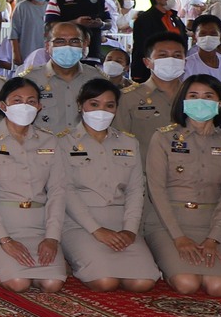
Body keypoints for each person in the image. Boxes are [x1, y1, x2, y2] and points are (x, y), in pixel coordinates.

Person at [144, 75, 221, 298]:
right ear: (183, 101)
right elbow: (156, 191)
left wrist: (214, 238)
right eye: (193, 96)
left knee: (218, 287)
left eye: (208, 96)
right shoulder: (163, 138)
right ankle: (161, 260)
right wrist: (179, 237)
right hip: (167, 224)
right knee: (187, 283)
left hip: (209, 225)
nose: (201, 101)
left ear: (220, 103)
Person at [58, 79, 160, 293]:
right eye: (94, 104)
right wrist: (97, 230)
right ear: (80, 105)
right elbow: (66, 191)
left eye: (109, 105)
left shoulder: (128, 143)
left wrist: (130, 230)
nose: (101, 111)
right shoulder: (63, 142)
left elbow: (135, 190)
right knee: (105, 282)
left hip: (120, 222)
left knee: (143, 283)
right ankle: (72, 259)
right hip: (80, 224)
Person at [0, 78, 66, 293]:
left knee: (52, 285)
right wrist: (5, 240)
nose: (24, 106)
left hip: (38, 226)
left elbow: (57, 191)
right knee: (18, 283)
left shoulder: (50, 141)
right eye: (17, 100)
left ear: (39, 107)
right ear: (3, 105)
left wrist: (52, 237)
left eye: (31, 101)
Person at [22, 20, 106, 130]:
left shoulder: (97, 79)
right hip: (45, 141)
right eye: (60, 41)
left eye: (74, 41)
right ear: (47, 46)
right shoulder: (29, 80)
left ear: (84, 45)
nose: (68, 46)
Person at [8, 0, 53, 66]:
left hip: (46, 54)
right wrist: (15, 53)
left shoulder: (51, 7)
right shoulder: (22, 7)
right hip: (26, 51)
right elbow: (14, 32)